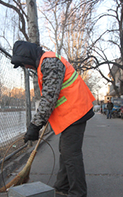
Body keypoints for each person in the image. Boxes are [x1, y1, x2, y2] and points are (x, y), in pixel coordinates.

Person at [11, 40, 95, 197]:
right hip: (72, 113)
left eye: (24, 64)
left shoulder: (49, 62)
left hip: (76, 111)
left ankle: (78, 193)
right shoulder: (47, 62)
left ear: (28, 58)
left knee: (71, 154)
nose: (26, 67)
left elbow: (49, 96)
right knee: (67, 151)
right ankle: (62, 187)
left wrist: (35, 126)